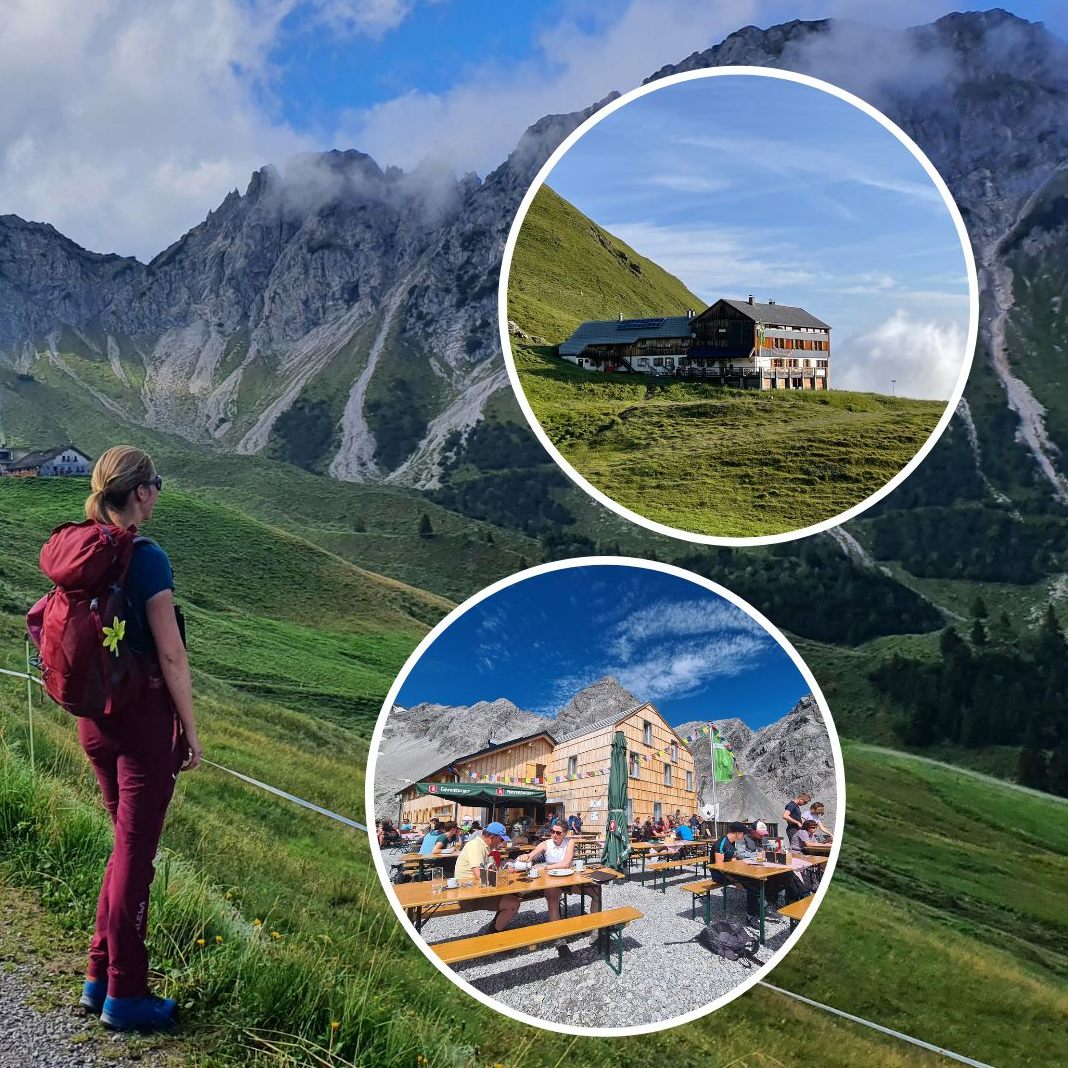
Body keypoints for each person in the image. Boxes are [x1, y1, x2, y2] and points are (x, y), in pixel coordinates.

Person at [58, 446, 202, 1032]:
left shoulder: (84, 550)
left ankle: (99, 976)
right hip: (142, 723)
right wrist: (190, 730)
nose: (159, 493)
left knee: (123, 850)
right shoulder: (146, 558)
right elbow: (171, 653)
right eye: (157, 484)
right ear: (140, 492)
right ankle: (126, 993)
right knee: (136, 860)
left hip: (94, 719)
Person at [518, 823, 577, 957]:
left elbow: (566, 863)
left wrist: (544, 867)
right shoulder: (546, 844)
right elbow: (531, 855)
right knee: (552, 900)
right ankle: (560, 940)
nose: (554, 835)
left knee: (595, 890)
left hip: (570, 877)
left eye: (558, 832)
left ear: (565, 833)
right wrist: (525, 857)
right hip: (552, 879)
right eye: (552, 831)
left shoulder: (570, 842)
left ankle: (597, 930)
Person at [455, 822, 521, 933]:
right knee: (513, 904)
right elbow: (479, 875)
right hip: (470, 895)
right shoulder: (475, 846)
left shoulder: (488, 847)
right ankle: (494, 933)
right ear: (492, 838)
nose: (502, 842)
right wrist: (505, 872)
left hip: (483, 889)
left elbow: (494, 868)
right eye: (501, 839)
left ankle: (498, 924)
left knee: (516, 894)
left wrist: (507, 866)